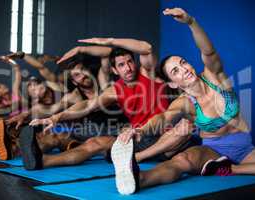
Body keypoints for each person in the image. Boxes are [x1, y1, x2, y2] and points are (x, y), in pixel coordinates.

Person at [111, 7, 255, 195]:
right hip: (213, 151)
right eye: (175, 71)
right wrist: (141, 130)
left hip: (246, 149)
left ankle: (231, 169)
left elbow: (208, 52)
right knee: (182, 160)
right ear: (173, 84)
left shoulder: (215, 76)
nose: (183, 69)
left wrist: (191, 22)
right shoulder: (185, 102)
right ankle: (139, 179)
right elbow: (163, 118)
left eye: (183, 63)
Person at [25, 37, 195, 170]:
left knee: (185, 126)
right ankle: (44, 161)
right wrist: (55, 118)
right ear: (115, 70)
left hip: (164, 138)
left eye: (130, 62)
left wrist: (109, 41)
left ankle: (138, 158)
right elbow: (87, 106)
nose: (127, 68)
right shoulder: (115, 90)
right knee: (94, 143)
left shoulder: (147, 73)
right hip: (136, 137)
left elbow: (147, 48)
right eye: (121, 65)